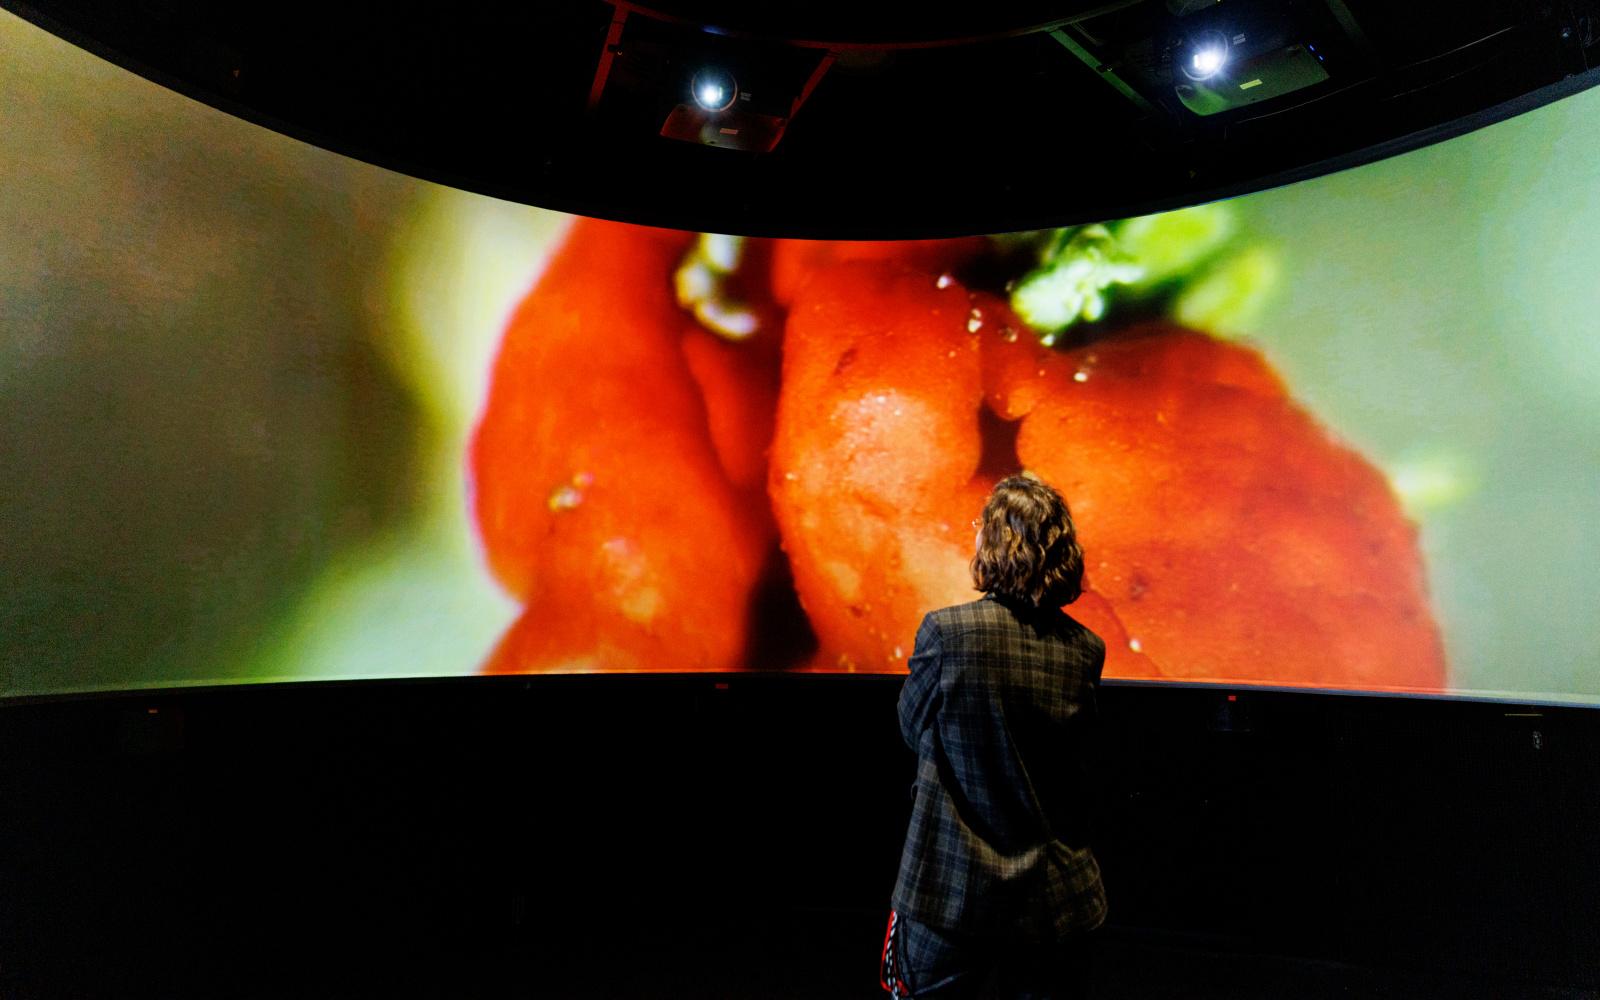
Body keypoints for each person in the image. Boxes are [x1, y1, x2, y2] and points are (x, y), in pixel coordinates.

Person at [881, 474, 1107, 1000]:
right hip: (1056, 900)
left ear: (994, 545)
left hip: (952, 896)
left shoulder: (946, 633)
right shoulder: (1086, 650)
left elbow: (912, 731)